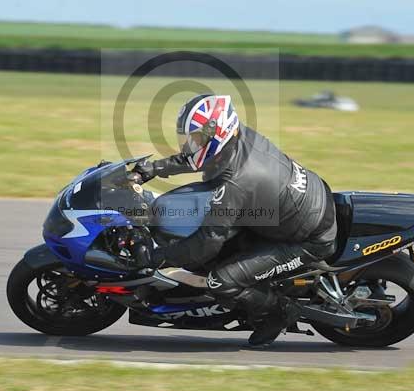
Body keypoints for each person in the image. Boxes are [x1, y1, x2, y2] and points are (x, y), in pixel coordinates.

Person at [133, 94, 338, 346]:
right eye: (188, 137)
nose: (189, 144)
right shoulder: (238, 137)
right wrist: (154, 169)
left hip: (309, 238)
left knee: (221, 281)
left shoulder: (235, 183)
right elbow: (200, 156)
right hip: (300, 203)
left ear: (216, 134)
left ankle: (278, 312)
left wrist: (157, 258)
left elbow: (205, 244)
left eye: (195, 138)